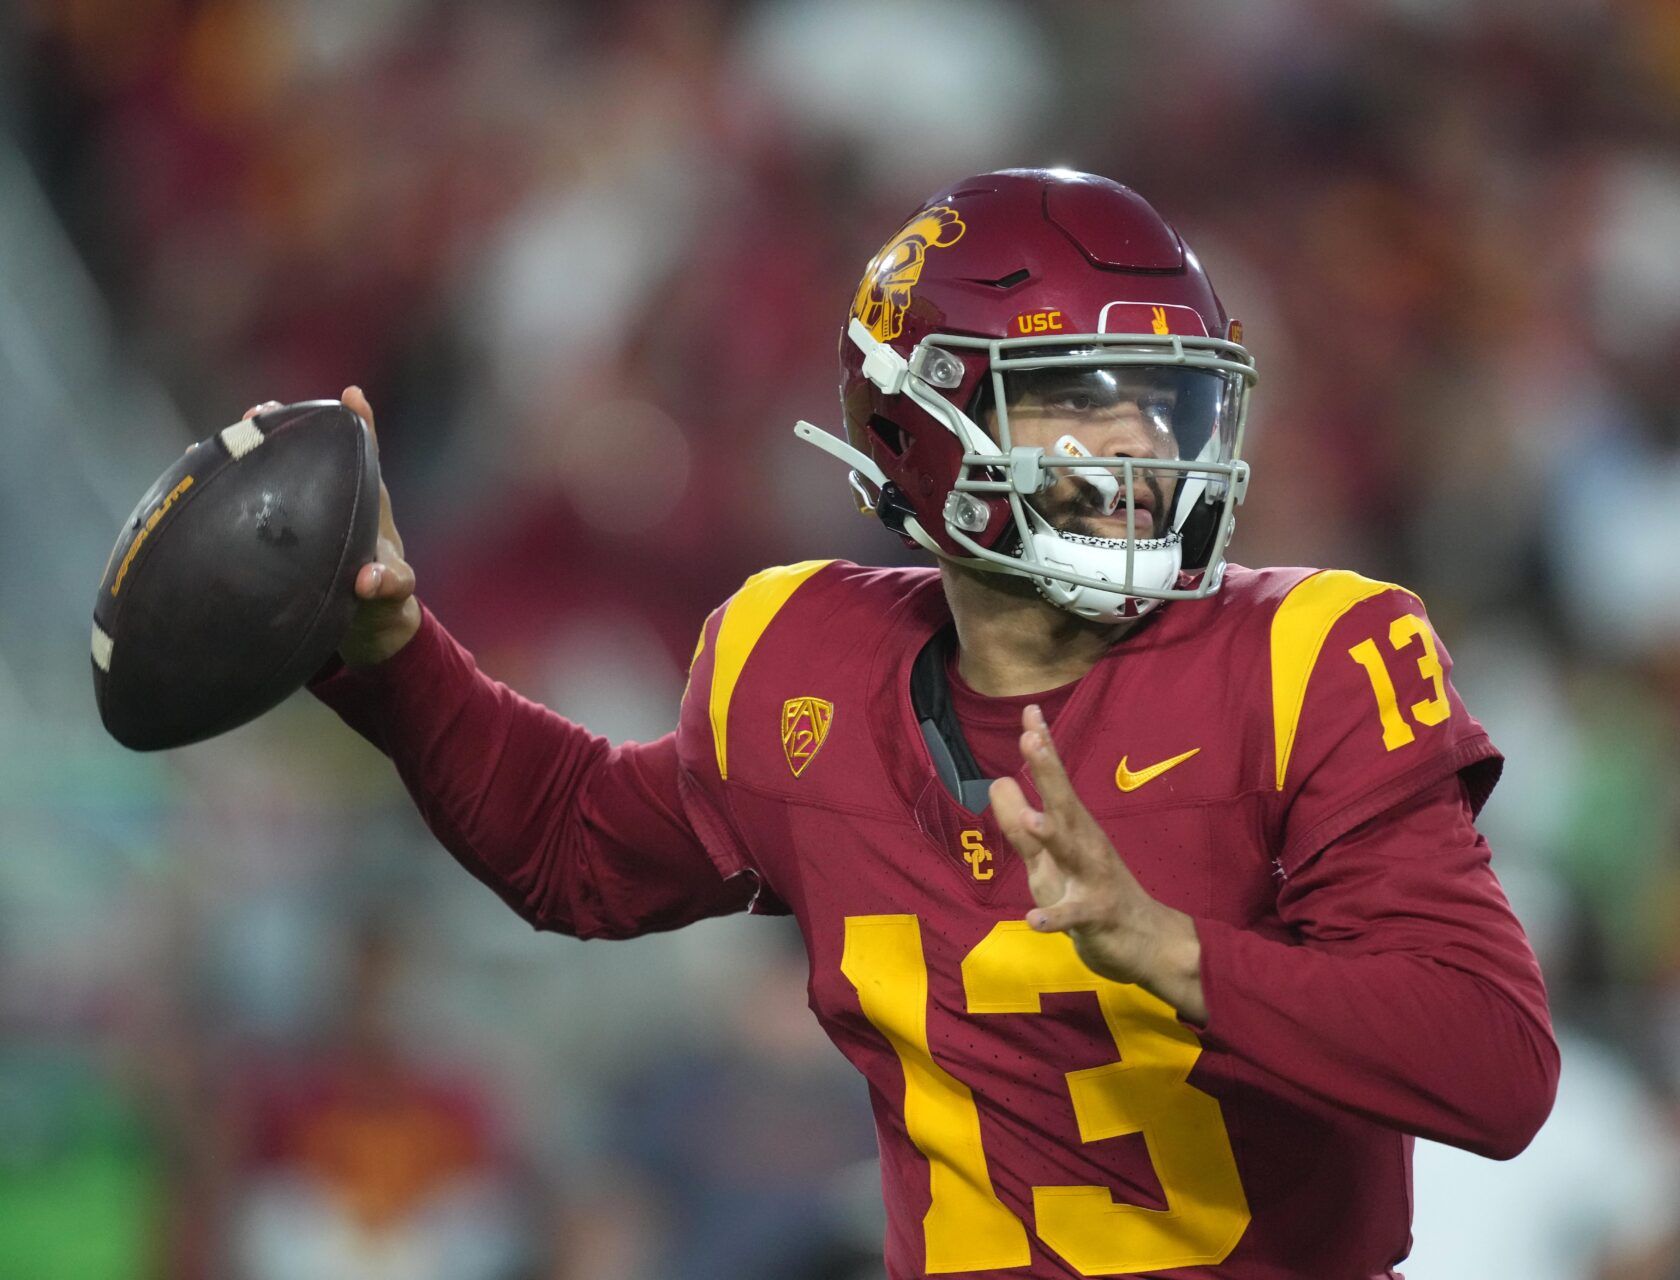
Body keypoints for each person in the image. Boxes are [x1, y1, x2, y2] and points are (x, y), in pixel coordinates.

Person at [286, 169, 1556, 1279]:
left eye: (1163, 400)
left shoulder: (1310, 659)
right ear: (920, 425)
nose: (1139, 445)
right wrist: (395, 654)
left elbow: (1497, 1069)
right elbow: (570, 844)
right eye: (1077, 395)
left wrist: (1169, 951)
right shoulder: (800, 666)